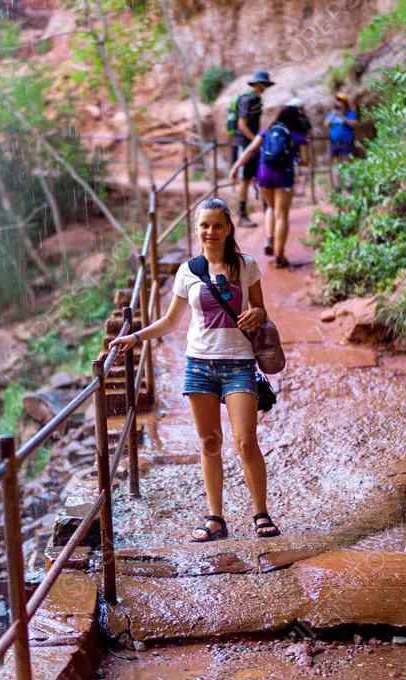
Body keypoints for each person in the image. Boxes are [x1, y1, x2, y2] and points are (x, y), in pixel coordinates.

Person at [109, 197, 281, 542]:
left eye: (218, 225)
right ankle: (215, 518)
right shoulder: (188, 271)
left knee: (246, 441)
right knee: (209, 442)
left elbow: (260, 307)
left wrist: (258, 314)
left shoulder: (246, 266)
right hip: (200, 364)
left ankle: (261, 513)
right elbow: (171, 320)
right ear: (197, 229)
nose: (211, 231)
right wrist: (134, 337)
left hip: (239, 363)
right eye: (204, 225)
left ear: (228, 228)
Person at [229, 102, 310, 269]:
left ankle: (268, 238)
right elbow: (305, 161)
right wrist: (292, 158)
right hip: (284, 175)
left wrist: (236, 167)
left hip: (263, 174)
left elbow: (251, 150)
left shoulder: (267, 129)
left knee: (270, 208)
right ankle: (279, 257)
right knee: (282, 216)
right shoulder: (298, 133)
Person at [229, 70, 275, 228]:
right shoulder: (247, 100)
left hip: (251, 142)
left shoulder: (257, 100)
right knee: (245, 178)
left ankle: (267, 209)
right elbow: (242, 125)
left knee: (257, 175)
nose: (265, 87)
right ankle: (242, 215)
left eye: (266, 84)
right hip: (243, 143)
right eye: (263, 84)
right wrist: (256, 140)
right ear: (256, 84)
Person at [324, 93, 358, 194]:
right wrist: (333, 114)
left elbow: (355, 124)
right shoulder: (332, 113)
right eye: (338, 100)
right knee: (336, 165)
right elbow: (326, 124)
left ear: (345, 103)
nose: (339, 103)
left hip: (346, 141)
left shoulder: (350, 113)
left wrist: (343, 117)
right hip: (335, 142)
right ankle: (337, 188)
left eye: (341, 101)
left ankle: (349, 187)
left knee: (346, 164)